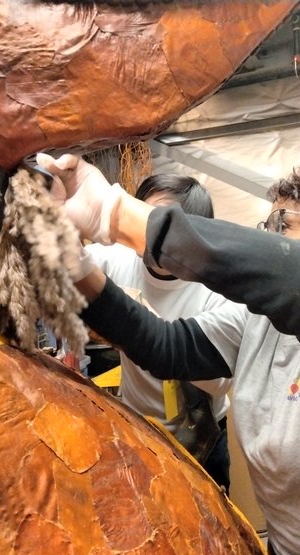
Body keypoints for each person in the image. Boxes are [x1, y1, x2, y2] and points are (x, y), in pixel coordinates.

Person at [37, 152, 300, 555]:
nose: (267, 238)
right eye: (265, 226)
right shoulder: (257, 322)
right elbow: (166, 346)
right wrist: (76, 267)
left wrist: (114, 214)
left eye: (282, 226)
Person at [85, 173, 233, 492]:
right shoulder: (118, 259)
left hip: (202, 435)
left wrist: (154, 334)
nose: (149, 231)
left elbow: (221, 382)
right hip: (138, 427)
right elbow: (67, 267)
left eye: (164, 223)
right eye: (144, 217)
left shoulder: (216, 288)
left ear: (194, 232)